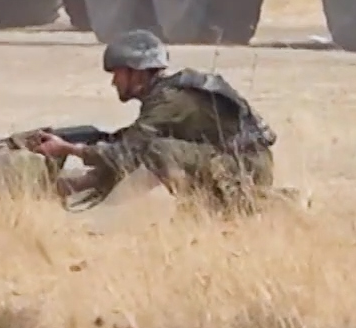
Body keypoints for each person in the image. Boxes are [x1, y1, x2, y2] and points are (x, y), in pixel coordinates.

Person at [30, 30, 278, 214]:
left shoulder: (169, 100)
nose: (113, 82)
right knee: (149, 151)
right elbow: (130, 144)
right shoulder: (166, 97)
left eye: (117, 73)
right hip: (238, 161)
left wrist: (68, 150)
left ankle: (221, 208)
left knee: (159, 151)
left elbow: (127, 153)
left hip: (246, 165)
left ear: (136, 72)